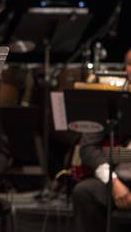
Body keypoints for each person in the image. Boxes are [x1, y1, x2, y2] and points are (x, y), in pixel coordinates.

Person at [72, 48, 131, 232]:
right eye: (130, 64)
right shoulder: (111, 99)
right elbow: (88, 148)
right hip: (121, 178)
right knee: (84, 192)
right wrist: (113, 182)